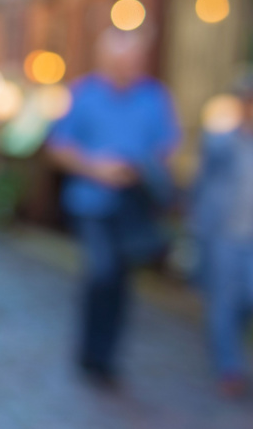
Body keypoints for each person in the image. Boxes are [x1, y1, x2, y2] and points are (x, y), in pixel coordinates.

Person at [46, 27, 180, 385]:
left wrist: (140, 167)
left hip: (132, 204)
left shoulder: (154, 96)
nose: (126, 66)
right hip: (92, 203)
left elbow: (166, 147)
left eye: (132, 59)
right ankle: (90, 352)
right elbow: (58, 148)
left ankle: (104, 357)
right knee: (102, 272)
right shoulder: (84, 94)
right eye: (119, 59)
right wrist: (96, 166)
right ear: (105, 58)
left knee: (120, 281)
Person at [191, 74, 253, 398]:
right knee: (224, 302)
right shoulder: (222, 142)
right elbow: (202, 185)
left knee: (246, 299)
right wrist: (199, 228)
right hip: (225, 236)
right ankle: (228, 366)